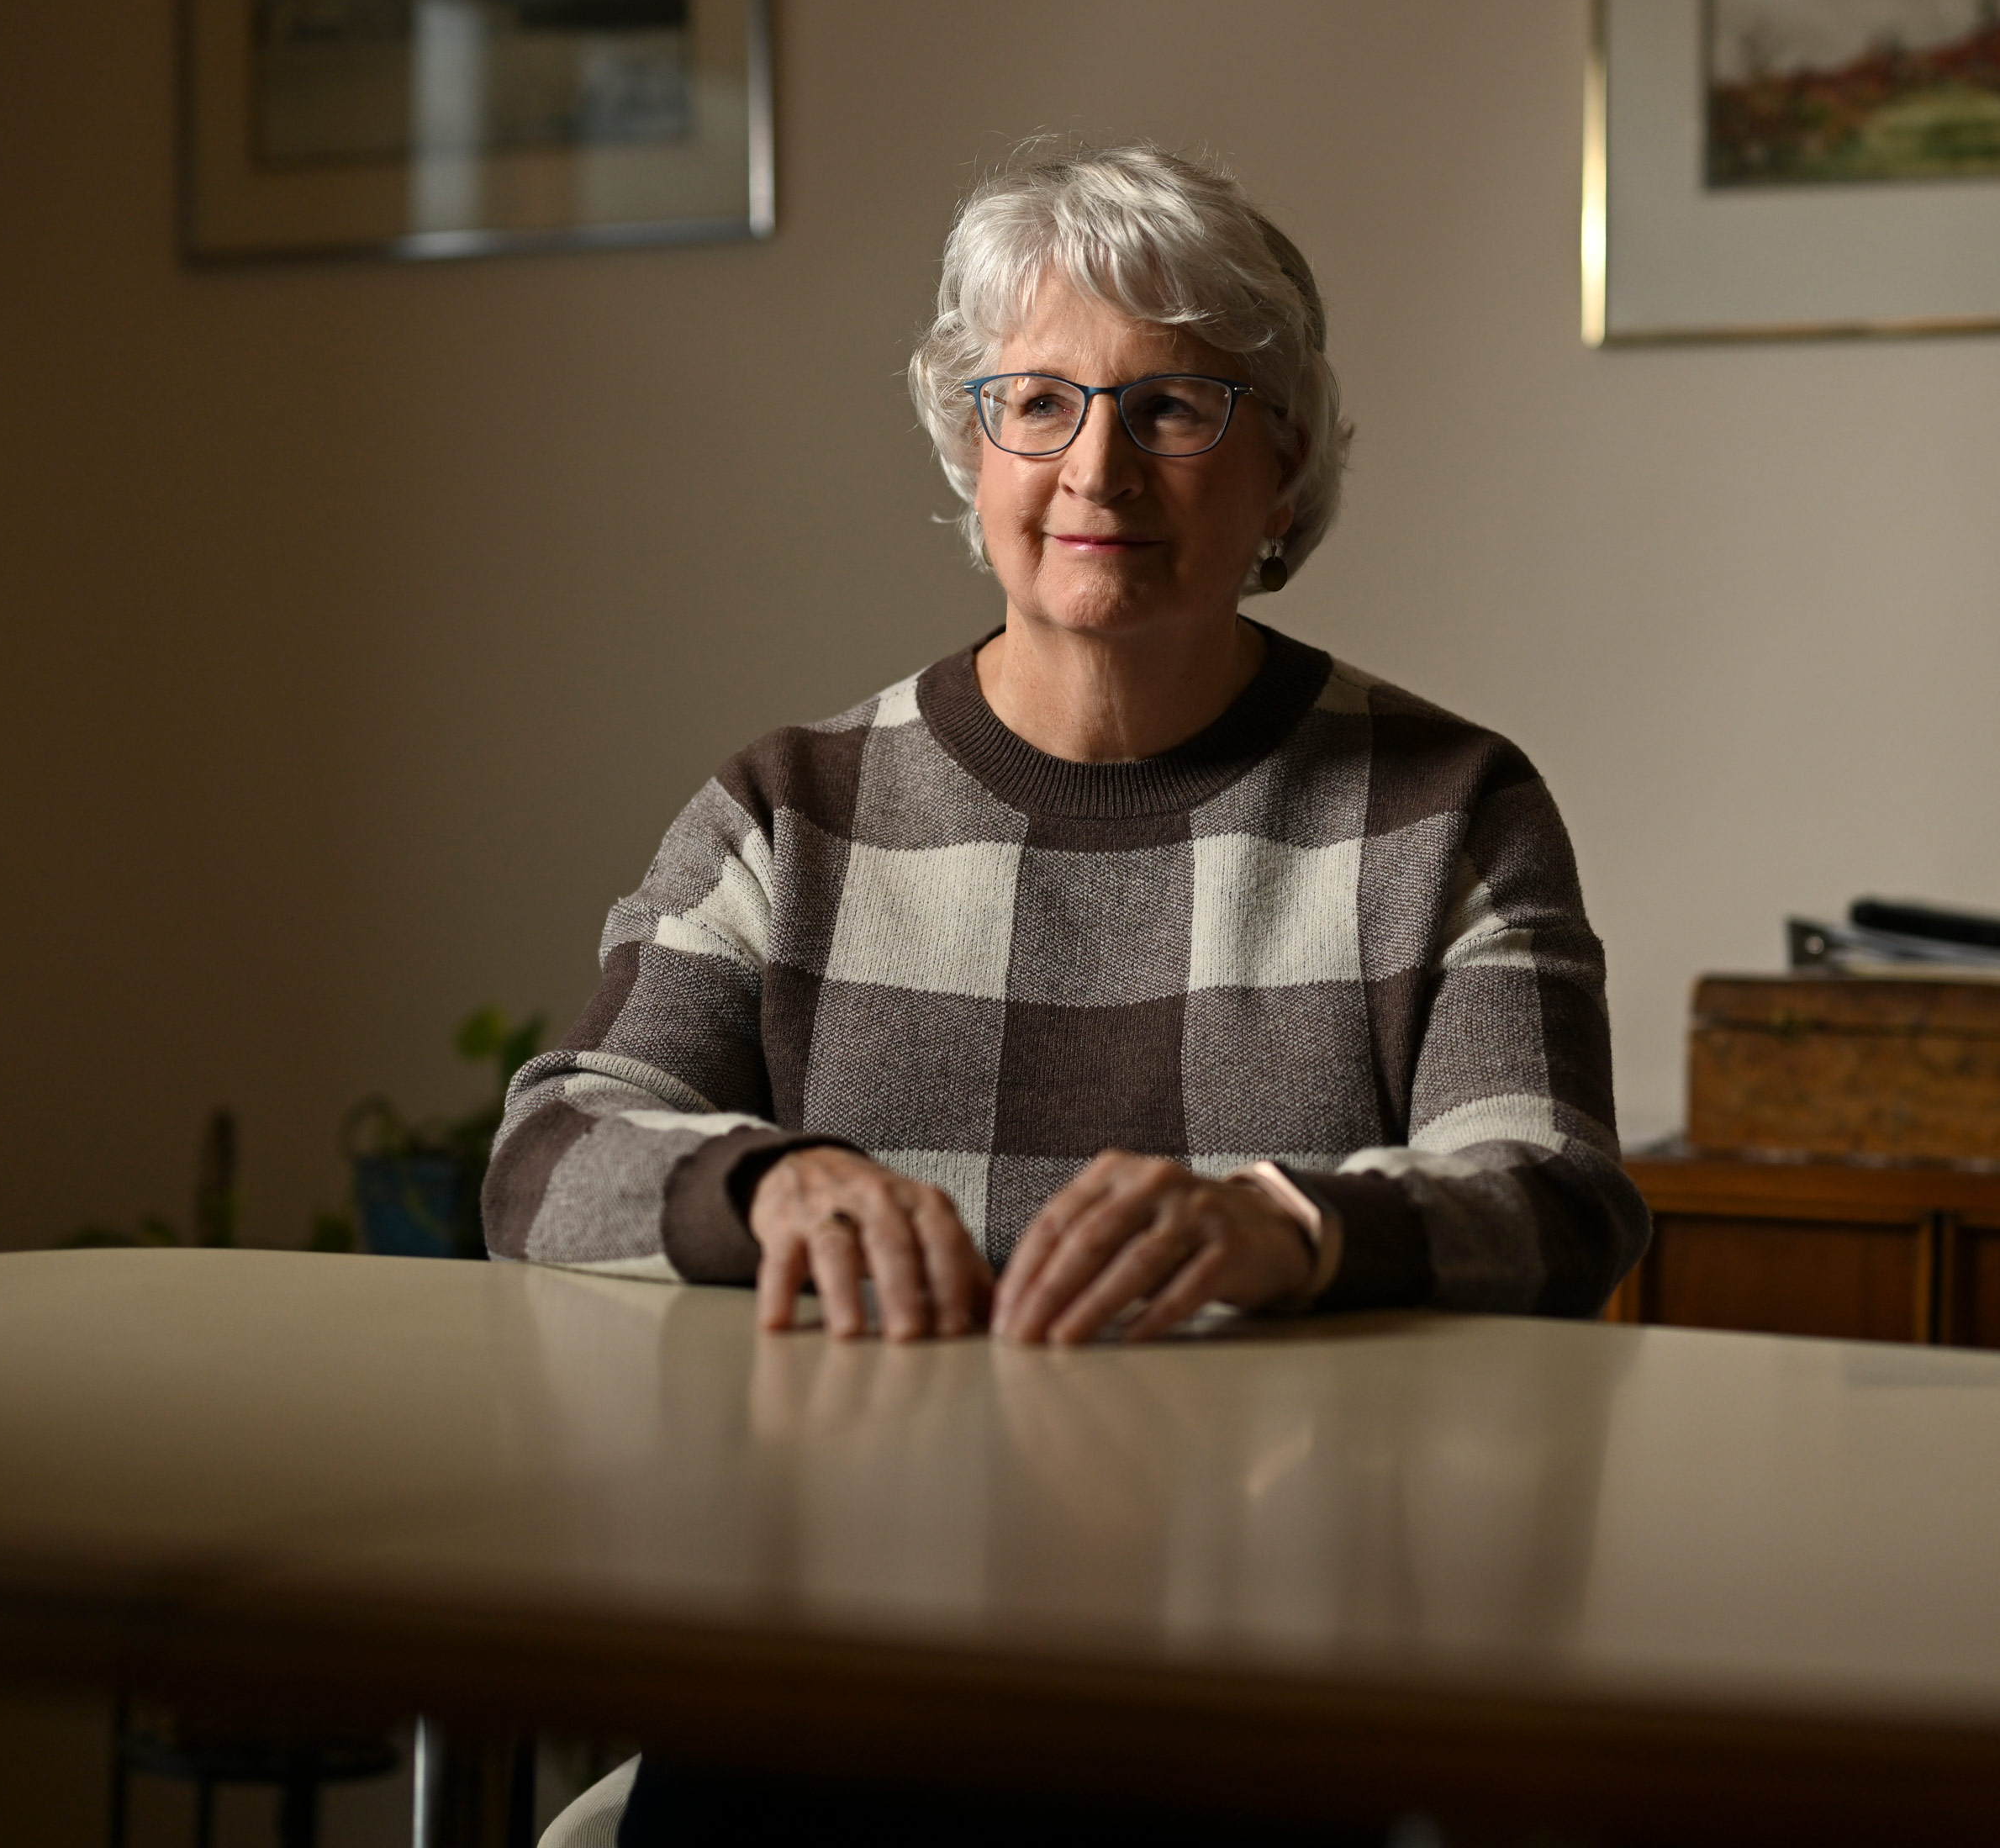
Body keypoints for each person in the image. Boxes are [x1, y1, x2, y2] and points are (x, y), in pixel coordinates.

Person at [483, 142, 1646, 1348]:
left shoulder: (1451, 809)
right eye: (1039, 404)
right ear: (973, 452)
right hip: (873, 1504)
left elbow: (1557, 1198)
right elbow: (547, 1155)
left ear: (1285, 469)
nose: (1099, 471)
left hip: (1291, 1516)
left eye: (1172, 409)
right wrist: (766, 1188)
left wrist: (1291, 1227)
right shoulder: (786, 812)